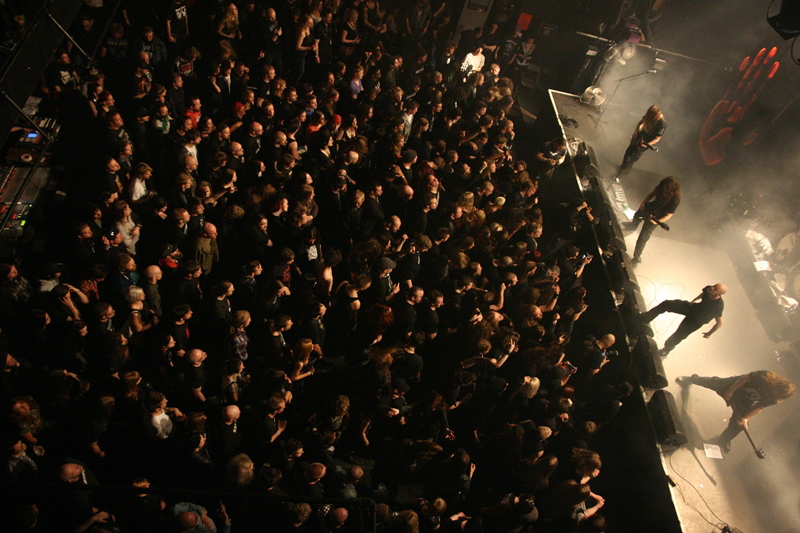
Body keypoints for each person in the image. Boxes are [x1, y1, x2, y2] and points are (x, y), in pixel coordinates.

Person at [676, 371, 795, 453]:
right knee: (714, 382)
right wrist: (730, 391)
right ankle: (691, 379)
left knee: (739, 425)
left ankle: (725, 439)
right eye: (775, 392)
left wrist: (746, 418)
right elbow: (743, 379)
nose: (774, 395)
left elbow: (760, 406)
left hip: (745, 399)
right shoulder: (765, 375)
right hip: (735, 386)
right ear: (776, 384)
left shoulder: (775, 398)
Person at [639, 283, 727, 356]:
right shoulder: (708, 289)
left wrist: (709, 333)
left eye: (715, 289)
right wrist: (695, 300)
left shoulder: (718, 306)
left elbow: (719, 323)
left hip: (696, 320)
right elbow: (704, 294)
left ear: (718, 294)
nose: (712, 288)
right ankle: (645, 318)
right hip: (693, 308)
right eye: (714, 286)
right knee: (667, 304)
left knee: (678, 335)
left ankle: (667, 349)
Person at [625, 176, 681, 265]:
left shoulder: (675, 200)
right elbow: (651, 194)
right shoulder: (661, 188)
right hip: (650, 208)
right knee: (637, 215)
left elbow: (668, 215)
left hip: (657, 217)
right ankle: (632, 226)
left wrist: (656, 222)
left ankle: (636, 258)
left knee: (643, 238)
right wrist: (644, 202)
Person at [615, 104, 665, 180]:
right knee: (628, 152)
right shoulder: (650, 116)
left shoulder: (662, 124)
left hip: (646, 142)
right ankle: (622, 167)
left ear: (657, 114)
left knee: (633, 157)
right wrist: (636, 131)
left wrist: (648, 144)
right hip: (640, 137)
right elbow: (642, 121)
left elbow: (657, 138)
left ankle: (624, 172)